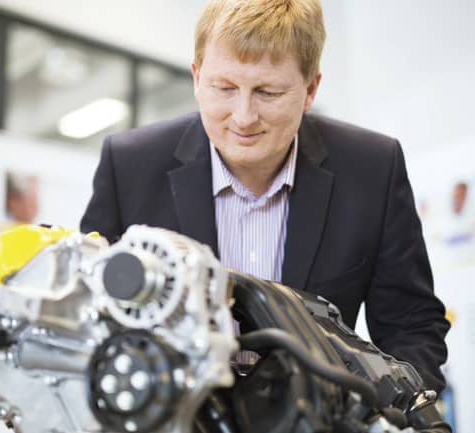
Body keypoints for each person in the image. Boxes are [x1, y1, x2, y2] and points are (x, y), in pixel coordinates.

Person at [80, 0, 449, 392]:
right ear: (196, 78)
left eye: (267, 92)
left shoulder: (372, 169)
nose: (243, 117)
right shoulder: (129, 166)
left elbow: (410, 323)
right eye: (224, 88)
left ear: (310, 91)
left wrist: (400, 411)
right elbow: (89, 311)